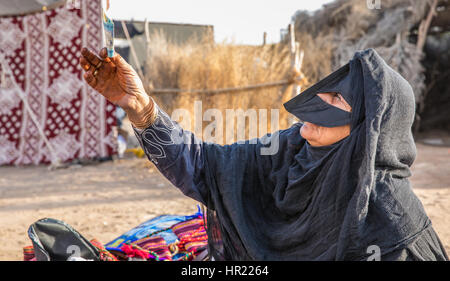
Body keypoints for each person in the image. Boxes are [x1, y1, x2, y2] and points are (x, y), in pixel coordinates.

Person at [79, 47, 448, 261]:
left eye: (337, 99)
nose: (319, 102)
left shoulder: (392, 224)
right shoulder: (291, 148)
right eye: (327, 91)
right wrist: (141, 107)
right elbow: (205, 167)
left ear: (368, 131)